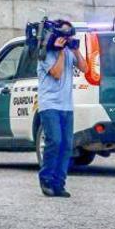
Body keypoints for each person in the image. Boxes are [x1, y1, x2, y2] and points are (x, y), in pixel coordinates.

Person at [36, 20, 87, 197]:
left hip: (66, 105)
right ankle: (46, 179)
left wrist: (75, 49)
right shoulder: (46, 53)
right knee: (55, 141)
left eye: (69, 35)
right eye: (65, 36)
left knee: (66, 145)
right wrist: (60, 52)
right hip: (49, 104)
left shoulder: (68, 51)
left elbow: (85, 68)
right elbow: (56, 73)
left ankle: (59, 183)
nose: (67, 38)